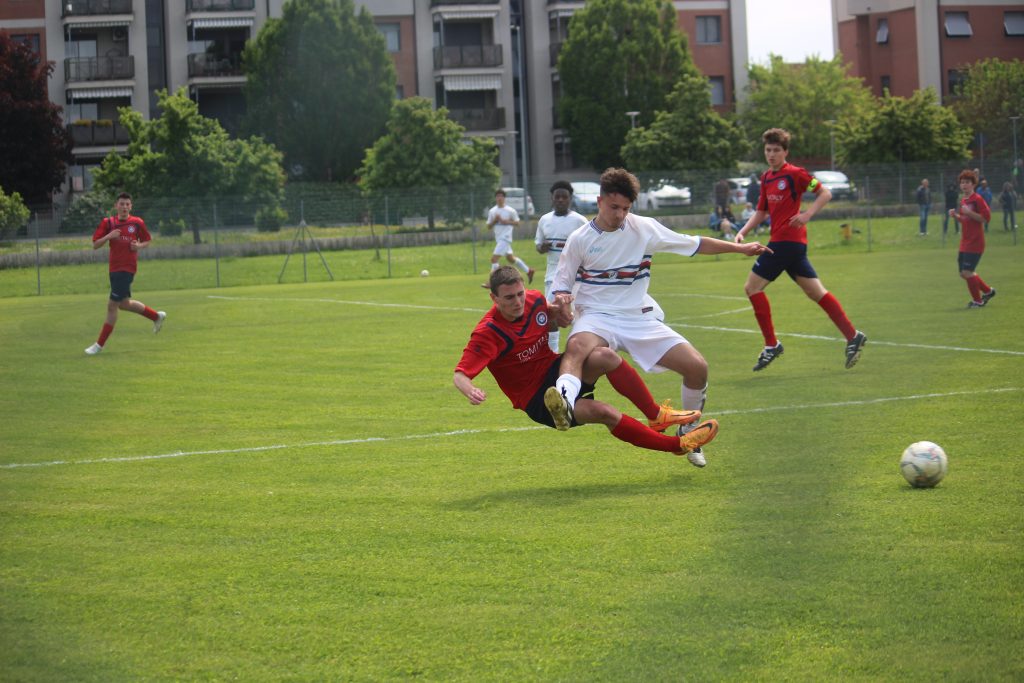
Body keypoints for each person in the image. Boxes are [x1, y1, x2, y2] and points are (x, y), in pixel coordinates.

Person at [546, 167, 772, 467]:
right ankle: (563, 403)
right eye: (614, 207)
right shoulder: (580, 239)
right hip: (597, 316)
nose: (620, 215)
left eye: (626, 209)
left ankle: (689, 432)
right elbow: (561, 285)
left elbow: (694, 243)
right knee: (577, 347)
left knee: (697, 368)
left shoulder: (643, 228)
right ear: (600, 201)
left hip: (638, 316)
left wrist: (738, 248)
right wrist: (561, 299)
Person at [454, 266, 708, 460]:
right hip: (536, 398)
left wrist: (560, 313)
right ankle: (676, 446)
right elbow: (460, 375)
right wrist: (471, 390)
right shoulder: (488, 333)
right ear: (493, 298)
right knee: (604, 412)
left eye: (520, 294)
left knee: (606, 355)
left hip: (557, 370)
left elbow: (553, 321)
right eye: (509, 298)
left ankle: (655, 415)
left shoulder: (534, 300)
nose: (518, 301)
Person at [734, 128, 866, 372]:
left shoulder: (797, 174)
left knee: (751, 288)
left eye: (776, 150)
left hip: (786, 243)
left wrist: (807, 214)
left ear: (785, 151)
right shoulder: (766, 178)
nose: (771, 154)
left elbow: (824, 192)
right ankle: (852, 335)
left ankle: (771, 345)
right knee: (816, 292)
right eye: (768, 150)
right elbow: (761, 212)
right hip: (789, 245)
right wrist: (743, 231)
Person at [84, 192, 166, 355]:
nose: (124, 207)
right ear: (116, 206)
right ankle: (156, 316)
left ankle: (98, 345)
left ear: (131, 206)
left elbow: (147, 240)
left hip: (127, 269)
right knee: (124, 304)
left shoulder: (137, 223)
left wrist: (139, 246)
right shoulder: (108, 223)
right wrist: (109, 236)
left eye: (127, 204)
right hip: (114, 269)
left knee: (112, 306)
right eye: (121, 204)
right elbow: (95, 244)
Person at [534, 180, 588, 352]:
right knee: (550, 314)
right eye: (557, 197)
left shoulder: (579, 221)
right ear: (552, 198)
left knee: (576, 318)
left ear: (570, 198)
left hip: (575, 278)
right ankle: (553, 354)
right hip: (552, 276)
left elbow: (588, 249)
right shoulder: (544, 220)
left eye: (564, 197)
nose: (560, 200)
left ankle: (580, 352)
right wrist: (542, 247)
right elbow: (538, 245)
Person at [948, 169, 996, 308]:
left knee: (967, 272)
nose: (964, 185)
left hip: (975, 243)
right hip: (965, 242)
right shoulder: (964, 199)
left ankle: (978, 301)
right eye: (962, 182)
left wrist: (969, 212)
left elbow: (986, 218)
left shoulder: (978, 199)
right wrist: (956, 216)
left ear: (973, 184)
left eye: (967, 182)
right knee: (963, 274)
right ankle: (988, 291)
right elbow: (966, 220)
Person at [482, 188, 534, 288]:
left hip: (506, 238)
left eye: (501, 196)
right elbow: (488, 226)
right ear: (495, 198)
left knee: (494, 259)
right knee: (510, 259)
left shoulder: (510, 210)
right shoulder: (492, 211)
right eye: (497, 196)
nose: (499, 198)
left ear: (504, 198)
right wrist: (495, 221)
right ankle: (528, 270)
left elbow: (517, 223)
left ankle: (491, 282)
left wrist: (506, 222)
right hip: (499, 239)